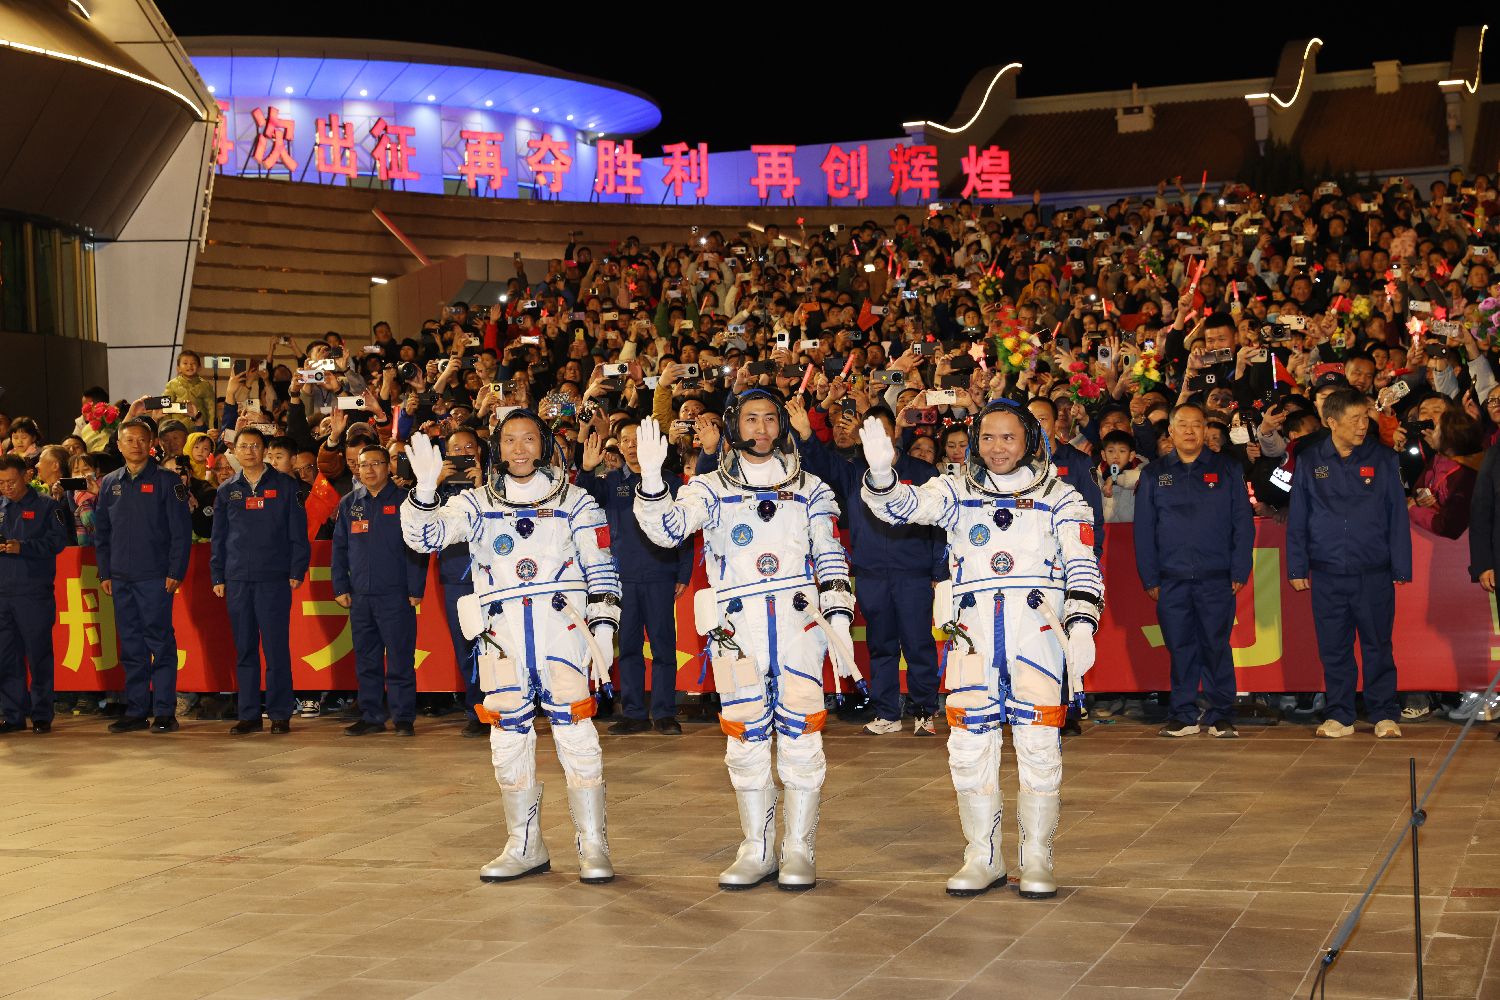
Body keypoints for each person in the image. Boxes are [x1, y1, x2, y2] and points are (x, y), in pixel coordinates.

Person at [859, 399, 1102, 899]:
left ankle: (1037, 857)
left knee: (1039, 748)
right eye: (987, 437)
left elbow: (1082, 563)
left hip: (1036, 638)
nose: (997, 448)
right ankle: (982, 856)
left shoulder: (1061, 496)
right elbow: (904, 508)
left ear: (1029, 441)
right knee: (969, 749)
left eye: (1009, 437)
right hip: (972, 640)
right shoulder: (955, 490)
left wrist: (1082, 625)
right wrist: (882, 476)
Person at [634, 390, 855, 892]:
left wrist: (839, 616)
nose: (761, 428)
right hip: (736, 630)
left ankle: (799, 848)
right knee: (745, 738)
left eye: (770, 419)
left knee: (802, 738)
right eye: (751, 419)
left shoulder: (811, 487)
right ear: (735, 426)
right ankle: (756, 846)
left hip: (799, 627)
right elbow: (667, 530)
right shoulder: (709, 487)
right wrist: (651, 480)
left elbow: (830, 553)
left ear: (782, 426)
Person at [401, 409, 620, 884]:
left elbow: (601, 566)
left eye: (529, 439)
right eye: (509, 441)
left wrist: (604, 629)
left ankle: (593, 845)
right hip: (502, 639)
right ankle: (524, 843)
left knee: (578, 737)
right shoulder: (475, 503)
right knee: (507, 739)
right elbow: (424, 538)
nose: (519, 449)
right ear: (497, 449)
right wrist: (424, 492)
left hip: (562, 633)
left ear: (544, 446)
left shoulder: (576, 501)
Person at [786, 399, 946, 736]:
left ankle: (924, 711)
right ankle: (887, 712)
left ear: (895, 433)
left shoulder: (923, 473)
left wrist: (937, 571)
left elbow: (939, 527)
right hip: (872, 574)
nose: (879, 439)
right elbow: (822, 464)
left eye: (884, 432)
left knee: (918, 643)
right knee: (881, 645)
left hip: (913, 573)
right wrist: (806, 435)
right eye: (870, 432)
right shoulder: (853, 473)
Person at [1287, 388, 1411, 739]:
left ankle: (1384, 713)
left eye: (1365, 418)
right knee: (1334, 648)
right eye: (1354, 419)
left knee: (1377, 645)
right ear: (1331, 422)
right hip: (1327, 572)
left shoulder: (1383, 458)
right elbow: (1299, 517)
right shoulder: (1310, 460)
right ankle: (1340, 715)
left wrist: (1400, 566)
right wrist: (1297, 567)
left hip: (1373, 571)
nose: (1362, 425)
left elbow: (1396, 515)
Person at [1133, 403, 1254, 738]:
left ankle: (1220, 714)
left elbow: (1242, 523)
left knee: (1216, 646)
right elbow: (1144, 530)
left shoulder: (1227, 468)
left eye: (1196, 424)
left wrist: (1240, 569)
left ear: (1205, 430)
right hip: (1171, 579)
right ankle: (1183, 713)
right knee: (1180, 646)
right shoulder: (1154, 474)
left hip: (1217, 577)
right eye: (1182, 424)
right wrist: (1150, 577)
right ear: (1171, 432)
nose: (1189, 431)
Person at [578, 420, 693, 736]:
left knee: (663, 648)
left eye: (637, 439)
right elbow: (585, 497)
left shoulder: (670, 482)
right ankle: (633, 713)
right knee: (628, 648)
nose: (631, 446)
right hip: (622, 577)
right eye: (625, 440)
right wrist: (586, 470)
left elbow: (684, 529)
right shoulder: (611, 481)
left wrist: (683, 571)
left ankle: (665, 713)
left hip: (660, 573)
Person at [93, 417, 192, 733]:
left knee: (159, 642)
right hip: (121, 578)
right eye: (129, 440)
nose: (135, 445)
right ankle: (136, 710)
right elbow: (102, 532)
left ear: (151, 444)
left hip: (155, 577)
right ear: (119, 445)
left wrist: (176, 570)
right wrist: (105, 572)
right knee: (131, 645)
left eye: (141, 440)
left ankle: (164, 711)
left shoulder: (166, 481)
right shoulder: (110, 483)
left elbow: (181, 532)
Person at [209, 427, 310, 735]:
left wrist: (297, 570)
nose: (250, 451)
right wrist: (218, 574)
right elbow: (219, 538)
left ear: (265, 450)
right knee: (245, 649)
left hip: (274, 578)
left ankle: (280, 713)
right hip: (237, 579)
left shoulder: (285, 486)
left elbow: (298, 533)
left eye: (255, 446)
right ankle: (249, 714)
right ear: (235, 452)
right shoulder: (227, 490)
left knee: (276, 649)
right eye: (244, 446)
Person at [333, 445, 428, 736]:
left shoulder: (405, 501)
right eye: (364, 465)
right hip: (360, 595)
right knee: (366, 659)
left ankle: (403, 717)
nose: (370, 470)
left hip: (396, 595)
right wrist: (340, 585)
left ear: (388, 467)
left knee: (400, 658)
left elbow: (417, 548)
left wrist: (416, 587)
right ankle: (371, 716)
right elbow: (339, 548)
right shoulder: (349, 503)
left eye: (376, 463)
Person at [0, 455, 68, 733]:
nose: (7, 487)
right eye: (1, 483)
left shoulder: (47, 506)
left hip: (33, 593)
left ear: (26, 477)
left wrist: (24, 547)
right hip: (2, 594)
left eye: (11, 482)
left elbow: (58, 541)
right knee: (6, 657)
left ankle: (41, 714)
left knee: (38, 655)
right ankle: (13, 714)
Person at [433, 428, 489, 737]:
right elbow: (419, 525)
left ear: (479, 451)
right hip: (457, 576)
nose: (464, 452)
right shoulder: (435, 490)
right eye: (457, 448)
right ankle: (476, 710)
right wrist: (434, 483)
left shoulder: (496, 484)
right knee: (467, 646)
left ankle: (507, 707)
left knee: (499, 644)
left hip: (495, 576)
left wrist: (481, 487)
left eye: (470, 447)